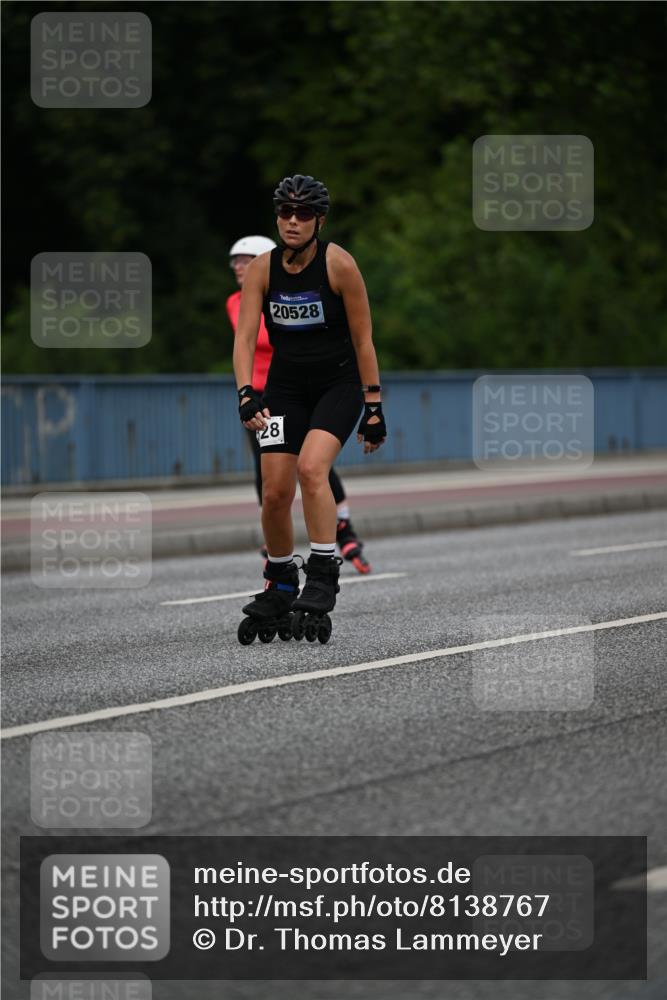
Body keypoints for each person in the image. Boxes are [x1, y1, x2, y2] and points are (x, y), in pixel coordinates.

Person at [232, 174, 386, 644]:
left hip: (337, 387)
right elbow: (243, 339)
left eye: (302, 214)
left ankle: (322, 572)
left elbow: (363, 339)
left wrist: (374, 405)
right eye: (285, 213)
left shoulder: (339, 265)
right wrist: (245, 392)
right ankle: (279, 583)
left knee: (312, 470)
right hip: (283, 389)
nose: (292, 222)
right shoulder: (262, 268)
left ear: (319, 220)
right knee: (274, 491)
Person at [226, 234, 371, 574]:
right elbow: (253, 338)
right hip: (264, 394)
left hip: (308, 385)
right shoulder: (237, 301)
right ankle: (277, 546)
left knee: (313, 464)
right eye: (235, 261)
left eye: (246, 260)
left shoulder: (289, 286)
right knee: (269, 472)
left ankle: (343, 527)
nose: (238, 267)